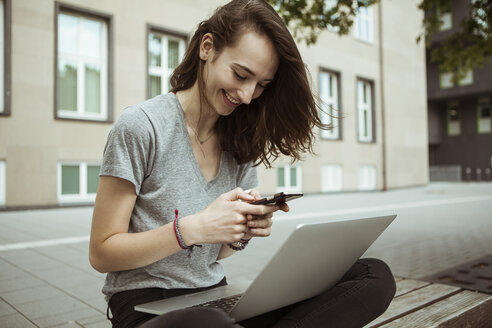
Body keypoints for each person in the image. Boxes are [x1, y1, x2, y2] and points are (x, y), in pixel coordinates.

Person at [89, 0, 396, 327]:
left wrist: (240, 233)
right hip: (145, 306)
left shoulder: (240, 143)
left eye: (262, 85)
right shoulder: (141, 126)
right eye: (241, 74)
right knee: (208, 324)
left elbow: (218, 254)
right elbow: (102, 252)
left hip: (213, 297)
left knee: (373, 275)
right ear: (207, 47)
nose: (248, 95)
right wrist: (193, 229)